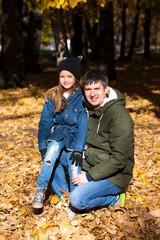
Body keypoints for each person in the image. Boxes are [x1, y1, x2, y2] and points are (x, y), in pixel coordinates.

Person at [68, 69, 134, 214]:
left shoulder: (118, 116)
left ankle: (114, 199)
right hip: (91, 165)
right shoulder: (86, 109)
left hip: (115, 175)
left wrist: (89, 176)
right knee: (56, 156)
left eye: (97, 88)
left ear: (106, 89)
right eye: (88, 89)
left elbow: (119, 158)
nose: (92, 94)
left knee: (77, 199)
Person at [32, 56, 88, 213]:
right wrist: (42, 145)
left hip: (75, 137)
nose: (65, 80)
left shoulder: (82, 97)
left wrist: (78, 148)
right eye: (62, 76)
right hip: (57, 135)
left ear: (75, 77)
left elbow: (84, 123)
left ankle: (74, 201)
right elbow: (44, 123)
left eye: (69, 76)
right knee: (50, 155)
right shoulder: (53, 96)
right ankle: (40, 190)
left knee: (74, 168)